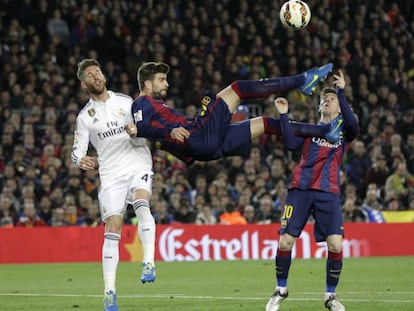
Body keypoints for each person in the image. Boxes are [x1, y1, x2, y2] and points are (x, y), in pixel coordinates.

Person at [266, 70, 358, 311]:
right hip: (301, 189)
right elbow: (289, 144)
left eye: (331, 99)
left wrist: (341, 91)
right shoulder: (310, 131)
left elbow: (353, 123)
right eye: (323, 99)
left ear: (339, 107)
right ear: (319, 107)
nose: (326, 100)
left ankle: (330, 296)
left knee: (336, 245)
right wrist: (284, 115)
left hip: (329, 192)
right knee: (285, 242)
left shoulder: (344, 132)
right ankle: (280, 289)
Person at [71, 59, 156, 311]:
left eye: (97, 71)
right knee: (113, 227)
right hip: (110, 174)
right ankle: (109, 292)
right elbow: (76, 151)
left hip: (137, 161)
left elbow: (145, 128)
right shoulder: (85, 117)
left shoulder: (125, 102)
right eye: (89, 75)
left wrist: (136, 130)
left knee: (142, 203)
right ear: (84, 84)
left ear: (103, 75)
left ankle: (148, 262)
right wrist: (81, 160)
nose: (96, 76)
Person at [126, 62, 335, 164]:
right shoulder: (142, 102)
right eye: (161, 80)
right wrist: (169, 133)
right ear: (147, 83)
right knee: (237, 88)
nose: (167, 83)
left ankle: (324, 131)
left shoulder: (156, 106)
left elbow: (153, 134)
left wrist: (181, 151)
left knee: (262, 123)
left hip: (204, 148)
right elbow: (140, 128)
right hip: (199, 136)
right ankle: (303, 80)